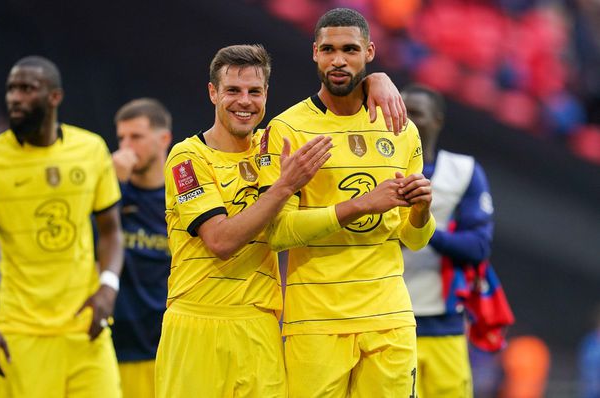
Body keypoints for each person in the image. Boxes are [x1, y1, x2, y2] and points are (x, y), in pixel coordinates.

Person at [155, 44, 406, 397]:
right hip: (197, 321)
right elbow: (220, 241)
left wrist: (374, 80)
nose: (245, 101)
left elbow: (334, 100)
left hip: (261, 324)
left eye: (254, 92)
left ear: (266, 95)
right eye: (233, 91)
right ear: (213, 93)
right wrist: (285, 186)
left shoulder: (273, 147)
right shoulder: (187, 158)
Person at [259, 8, 436, 397]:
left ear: (369, 51)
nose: (338, 59)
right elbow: (277, 233)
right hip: (316, 320)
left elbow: (414, 239)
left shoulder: (400, 127)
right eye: (329, 49)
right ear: (315, 53)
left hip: (389, 315)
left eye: (350, 49)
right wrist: (360, 205)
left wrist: (421, 211)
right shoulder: (287, 129)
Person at [0, 56, 123, 398]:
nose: (15, 98)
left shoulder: (91, 150)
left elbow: (111, 231)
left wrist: (108, 287)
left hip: (85, 330)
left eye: (27, 89)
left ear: (54, 97)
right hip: (20, 334)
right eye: (11, 89)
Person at [400, 84, 494, 397]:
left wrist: (421, 227)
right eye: (401, 112)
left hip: (444, 324)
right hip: (386, 322)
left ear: (437, 120)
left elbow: (478, 247)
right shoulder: (375, 169)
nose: (406, 121)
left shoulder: (462, 171)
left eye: (416, 113)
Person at [110, 98, 172, 398]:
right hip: (116, 347)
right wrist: (115, 186)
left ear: (163, 139)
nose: (125, 146)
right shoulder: (111, 193)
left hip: (167, 348)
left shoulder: (181, 199)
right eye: (121, 137)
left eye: (135, 137)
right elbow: (92, 241)